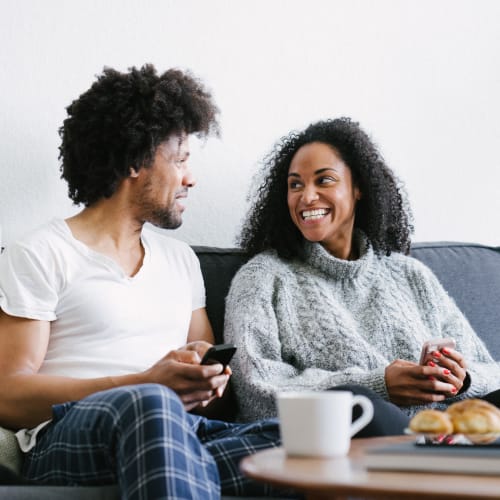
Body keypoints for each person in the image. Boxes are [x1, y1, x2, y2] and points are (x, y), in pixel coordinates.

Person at [0, 65, 285, 499]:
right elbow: (8, 394)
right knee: (151, 405)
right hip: (69, 437)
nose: (191, 178)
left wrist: (204, 378)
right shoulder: (41, 253)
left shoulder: (180, 260)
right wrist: (147, 382)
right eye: (180, 160)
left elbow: (214, 394)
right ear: (134, 161)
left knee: (303, 443)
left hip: (179, 430)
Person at [224, 117, 500, 427]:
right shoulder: (262, 279)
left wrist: (462, 380)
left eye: (323, 180)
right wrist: (378, 386)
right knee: (368, 410)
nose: (307, 196)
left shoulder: (410, 275)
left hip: (443, 436)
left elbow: (492, 372)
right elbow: (255, 393)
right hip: (353, 438)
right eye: (295, 184)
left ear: (358, 188)